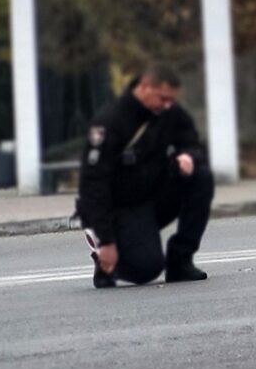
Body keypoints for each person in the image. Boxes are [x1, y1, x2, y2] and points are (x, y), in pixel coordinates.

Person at [77, 62, 213, 288]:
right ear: (144, 86)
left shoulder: (169, 113)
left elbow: (193, 144)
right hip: (121, 207)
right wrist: (107, 240)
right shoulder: (111, 121)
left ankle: (180, 261)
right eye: (163, 98)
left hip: (153, 195)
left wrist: (188, 156)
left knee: (200, 176)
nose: (167, 104)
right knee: (147, 269)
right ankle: (105, 259)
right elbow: (93, 184)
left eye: (171, 100)